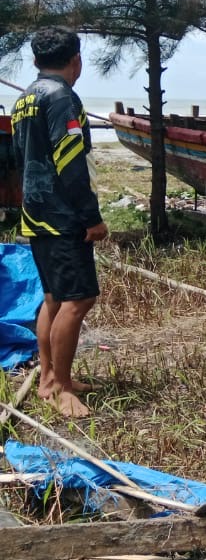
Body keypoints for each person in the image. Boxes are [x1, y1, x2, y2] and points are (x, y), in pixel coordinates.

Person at [12, 27, 108, 417]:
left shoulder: (24, 99)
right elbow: (70, 163)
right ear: (76, 61)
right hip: (63, 216)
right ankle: (62, 388)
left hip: (34, 213)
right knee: (78, 298)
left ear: (36, 61)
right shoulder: (62, 98)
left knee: (53, 297)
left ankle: (49, 377)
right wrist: (92, 217)